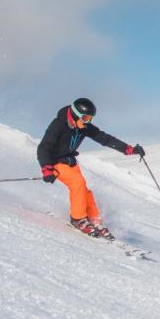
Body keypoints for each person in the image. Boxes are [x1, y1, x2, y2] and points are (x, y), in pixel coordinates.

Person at [38, 97, 144, 239]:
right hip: (55, 161)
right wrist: (46, 168)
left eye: (90, 118)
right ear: (76, 114)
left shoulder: (83, 126)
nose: (88, 121)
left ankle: (94, 220)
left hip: (70, 161)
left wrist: (128, 149)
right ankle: (78, 219)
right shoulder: (59, 125)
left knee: (84, 191)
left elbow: (105, 138)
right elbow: (43, 147)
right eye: (86, 118)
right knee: (78, 184)